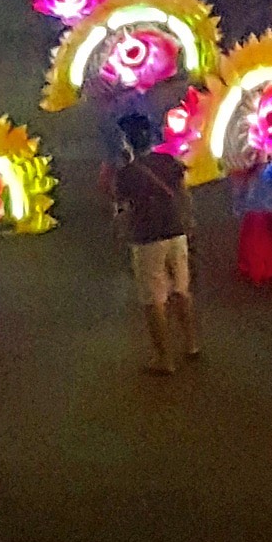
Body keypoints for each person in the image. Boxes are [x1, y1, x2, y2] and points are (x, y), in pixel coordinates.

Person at [109, 112, 201, 373]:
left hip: (147, 238)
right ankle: (192, 343)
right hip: (176, 233)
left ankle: (164, 358)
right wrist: (188, 225)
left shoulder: (126, 173)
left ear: (127, 141)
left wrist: (119, 233)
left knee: (154, 298)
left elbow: (121, 206)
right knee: (182, 289)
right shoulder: (169, 162)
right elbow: (184, 195)